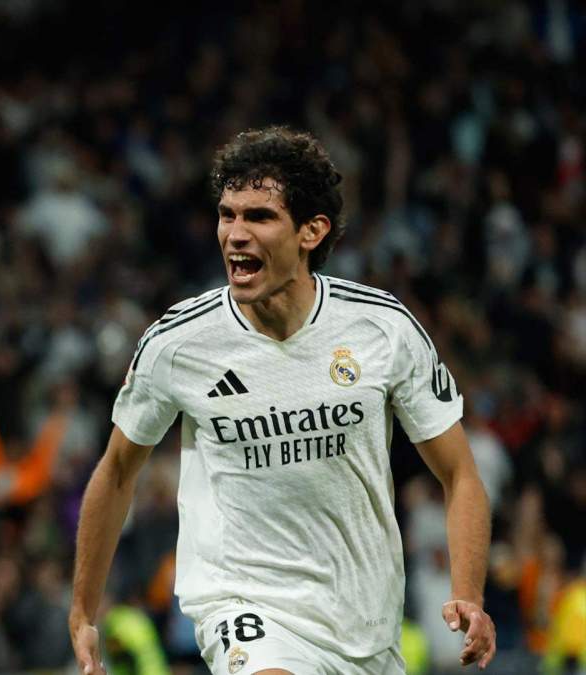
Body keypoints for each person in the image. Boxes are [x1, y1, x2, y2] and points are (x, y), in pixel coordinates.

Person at [69, 127, 497, 674]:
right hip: (243, 604)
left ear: (311, 231)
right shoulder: (178, 344)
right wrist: (82, 609)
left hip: (365, 623)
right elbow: (118, 471)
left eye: (259, 217)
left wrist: (469, 592)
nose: (235, 234)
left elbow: (459, 473)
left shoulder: (381, 329)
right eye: (227, 214)